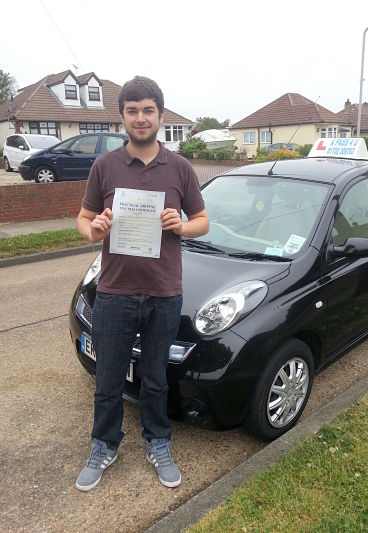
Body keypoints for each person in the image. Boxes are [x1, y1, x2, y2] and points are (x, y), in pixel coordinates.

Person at [75, 76, 209, 492]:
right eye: (132, 110)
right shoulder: (105, 167)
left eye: (148, 110)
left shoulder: (181, 167)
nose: (140, 117)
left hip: (165, 292)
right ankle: (104, 445)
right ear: (122, 117)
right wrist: (93, 229)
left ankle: (157, 442)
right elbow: (83, 219)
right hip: (114, 292)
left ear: (160, 116)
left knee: (154, 378)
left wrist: (183, 226)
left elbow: (203, 222)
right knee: (108, 378)